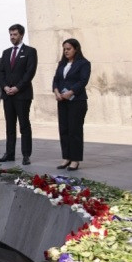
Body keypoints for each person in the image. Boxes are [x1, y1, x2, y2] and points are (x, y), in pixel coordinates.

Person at [0, 24, 38, 165]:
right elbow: (0, 72)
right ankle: (9, 153)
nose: (12, 37)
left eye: (14, 34)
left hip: (22, 95)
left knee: (24, 125)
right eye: (10, 34)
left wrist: (17, 87)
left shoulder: (30, 51)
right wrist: (5, 87)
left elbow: (30, 73)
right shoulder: (6, 52)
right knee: (10, 125)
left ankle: (26, 155)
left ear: (21, 35)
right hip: (7, 95)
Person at [52, 38, 91, 171]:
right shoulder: (62, 64)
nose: (66, 51)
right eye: (64, 49)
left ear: (76, 49)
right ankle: (66, 157)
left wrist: (71, 92)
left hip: (77, 101)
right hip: (62, 101)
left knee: (75, 130)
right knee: (64, 130)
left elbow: (83, 81)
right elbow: (56, 79)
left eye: (68, 49)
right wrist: (56, 91)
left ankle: (75, 159)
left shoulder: (84, 63)